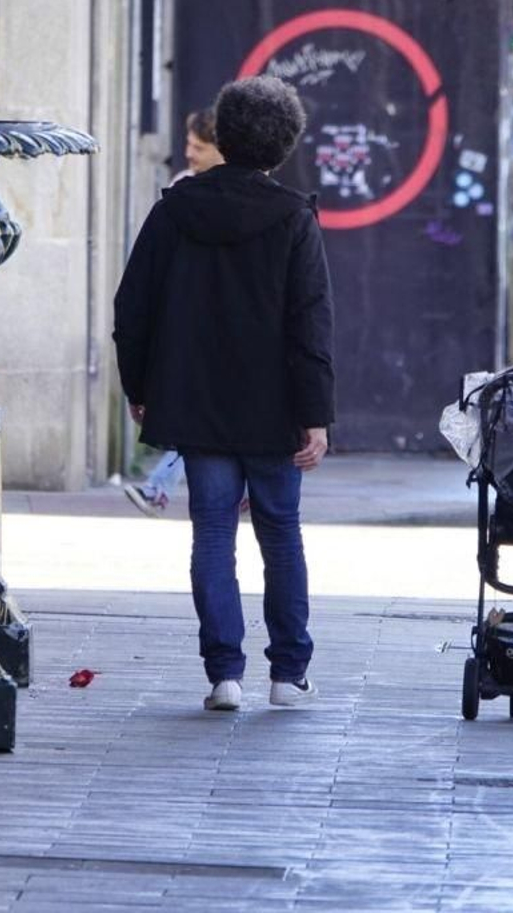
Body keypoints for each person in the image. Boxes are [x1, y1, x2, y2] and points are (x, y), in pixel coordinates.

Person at [113, 76, 334, 712]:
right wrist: (315, 416)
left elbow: (134, 307)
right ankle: (288, 674)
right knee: (280, 534)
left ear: (224, 134)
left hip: (197, 404)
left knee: (211, 533)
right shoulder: (295, 219)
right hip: (275, 411)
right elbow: (311, 325)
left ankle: (224, 675)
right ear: (285, 143)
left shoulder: (173, 212)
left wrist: (141, 387)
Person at [123, 108, 228, 517]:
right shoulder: (181, 191)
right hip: (193, 329)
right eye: (188, 144)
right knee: (199, 427)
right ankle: (159, 488)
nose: (188, 153)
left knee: (198, 428)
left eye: (198, 147)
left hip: (206, 330)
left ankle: (158, 489)